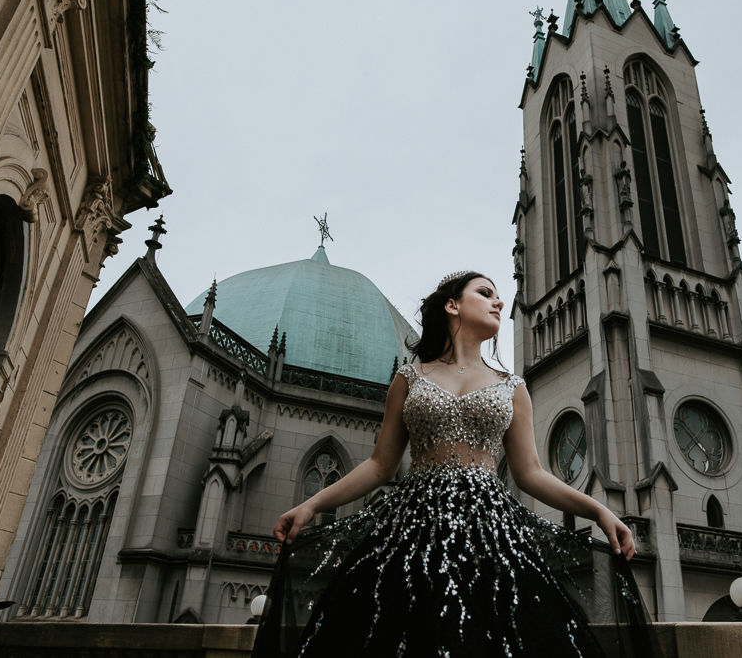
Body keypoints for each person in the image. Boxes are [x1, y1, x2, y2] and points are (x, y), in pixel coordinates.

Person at [255, 271, 660, 658]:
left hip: (489, 536)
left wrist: (601, 511)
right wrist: (310, 505)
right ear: (452, 305)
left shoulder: (513, 388)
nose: (499, 302)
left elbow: (531, 474)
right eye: (485, 293)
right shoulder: (409, 378)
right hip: (413, 532)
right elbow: (379, 465)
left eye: (498, 296)